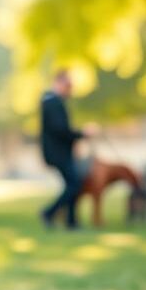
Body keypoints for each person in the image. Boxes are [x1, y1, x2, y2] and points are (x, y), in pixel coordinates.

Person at [39, 69, 98, 229]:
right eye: (68, 86)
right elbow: (60, 130)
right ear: (59, 83)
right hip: (58, 153)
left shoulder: (55, 101)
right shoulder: (52, 102)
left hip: (63, 151)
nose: (70, 90)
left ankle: (71, 221)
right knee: (74, 184)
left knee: (73, 184)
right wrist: (82, 133)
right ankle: (49, 213)